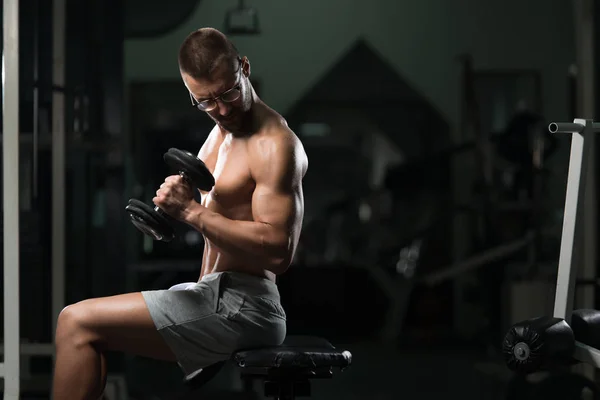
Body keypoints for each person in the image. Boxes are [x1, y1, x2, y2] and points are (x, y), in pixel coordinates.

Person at [52, 27, 308, 400]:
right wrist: (176, 201)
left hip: (246, 306)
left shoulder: (274, 145)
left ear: (245, 68)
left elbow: (279, 251)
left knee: (75, 322)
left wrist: (190, 212)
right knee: (87, 332)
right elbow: (210, 206)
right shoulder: (219, 131)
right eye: (205, 101)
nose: (221, 109)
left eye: (229, 92)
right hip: (209, 293)